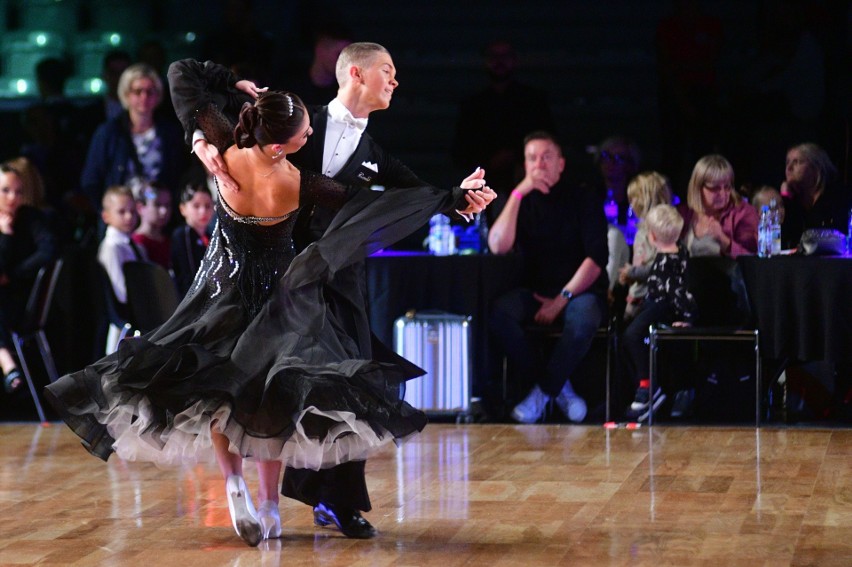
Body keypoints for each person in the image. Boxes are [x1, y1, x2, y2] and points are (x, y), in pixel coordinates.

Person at [45, 58, 492, 549]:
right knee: (274, 397)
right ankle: (272, 507)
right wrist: (448, 198)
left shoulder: (223, 144)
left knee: (217, 393)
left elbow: (181, 75)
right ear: (282, 144)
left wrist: (223, 90)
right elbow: (366, 205)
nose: (308, 142)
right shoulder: (298, 183)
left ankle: (234, 485)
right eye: (303, 137)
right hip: (278, 301)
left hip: (220, 293)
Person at [190, 42, 495, 539]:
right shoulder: (294, 121)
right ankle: (270, 496)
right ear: (356, 73)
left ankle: (334, 500)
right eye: (388, 72)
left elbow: (408, 194)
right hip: (274, 281)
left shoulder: (374, 153)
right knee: (270, 384)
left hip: (341, 281)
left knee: (352, 385)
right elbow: (224, 128)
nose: (396, 81)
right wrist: (200, 139)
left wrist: (458, 198)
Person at [488, 131, 609, 424]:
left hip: (579, 291)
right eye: (532, 158)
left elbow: (597, 259)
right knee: (501, 314)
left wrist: (562, 300)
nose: (539, 164)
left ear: (561, 164)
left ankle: (542, 393)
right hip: (536, 291)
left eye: (546, 157)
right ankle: (559, 388)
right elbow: (497, 246)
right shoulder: (521, 200)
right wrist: (518, 194)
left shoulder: (583, 198)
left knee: (583, 320)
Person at [451, 39, 556, 224]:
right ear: (485, 61)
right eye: (494, 56)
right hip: (483, 190)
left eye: (505, 56)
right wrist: (489, 162)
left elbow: (550, 143)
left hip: (529, 188)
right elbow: (460, 152)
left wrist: (516, 158)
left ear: (515, 60)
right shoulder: (473, 106)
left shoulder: (534, 101)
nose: (499, 61)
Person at [622, 204, 697, 422]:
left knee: (632, 335)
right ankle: (647, 385)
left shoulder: (668, 261)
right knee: (633, 335)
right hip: (654, 304)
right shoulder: (679, 252)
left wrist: (687, 317)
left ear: (652, 237)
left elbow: (678, 292)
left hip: (662, 308)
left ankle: (648, 386)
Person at [80, 63, 186, 213]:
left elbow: (178, 176)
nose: (144, 97)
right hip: (121, 219)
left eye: (150, 91)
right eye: (137, 91)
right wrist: (110, 213)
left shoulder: (170, 132)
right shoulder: (109, 132)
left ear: (158, 95)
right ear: (126, 94)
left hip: (160, 220)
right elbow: (91, 181)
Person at [0, 163, 58, 393]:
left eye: (18, 191)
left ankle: (7, 364)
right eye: (5, 190)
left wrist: (13, 275)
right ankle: (7, 363)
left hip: (21, 302)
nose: (13, 197)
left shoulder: (31, 218)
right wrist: (5, 236)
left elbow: (49, 250)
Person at [618, 171, 673, 322]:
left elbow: (660, 269)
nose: (631, 204)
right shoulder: (641, 231)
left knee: (633, 338)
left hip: (650, 302)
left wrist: (633, 272)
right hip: (636, 298)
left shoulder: (662, 233)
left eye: (633, 199)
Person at [678, 154, 758, 258]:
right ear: (698, 187)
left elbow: (752, 259)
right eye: (715, 188)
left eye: (727, 187)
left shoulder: (744, 213)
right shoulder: (684, 213)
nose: (723, 194)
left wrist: (722, 238)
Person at [780, 142, 849, 248]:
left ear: (816, 167)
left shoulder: (837, 197)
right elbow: (784, 242)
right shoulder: (793, 201)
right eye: (787, 162)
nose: (789, 168)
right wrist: (786, 199)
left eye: (797, 162)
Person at [170, 181, 214, 297]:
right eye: (196, 206)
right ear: (183, 209)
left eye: (208, 206)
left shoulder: (211, 236)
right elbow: (188, 274)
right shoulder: (182, 235)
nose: (203, 211)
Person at [131, 182, 172, 269]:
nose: (164, 211)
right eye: (157, 205)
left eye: (167, 205)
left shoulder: (169, 241)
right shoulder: (136, 243)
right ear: (140, 208)